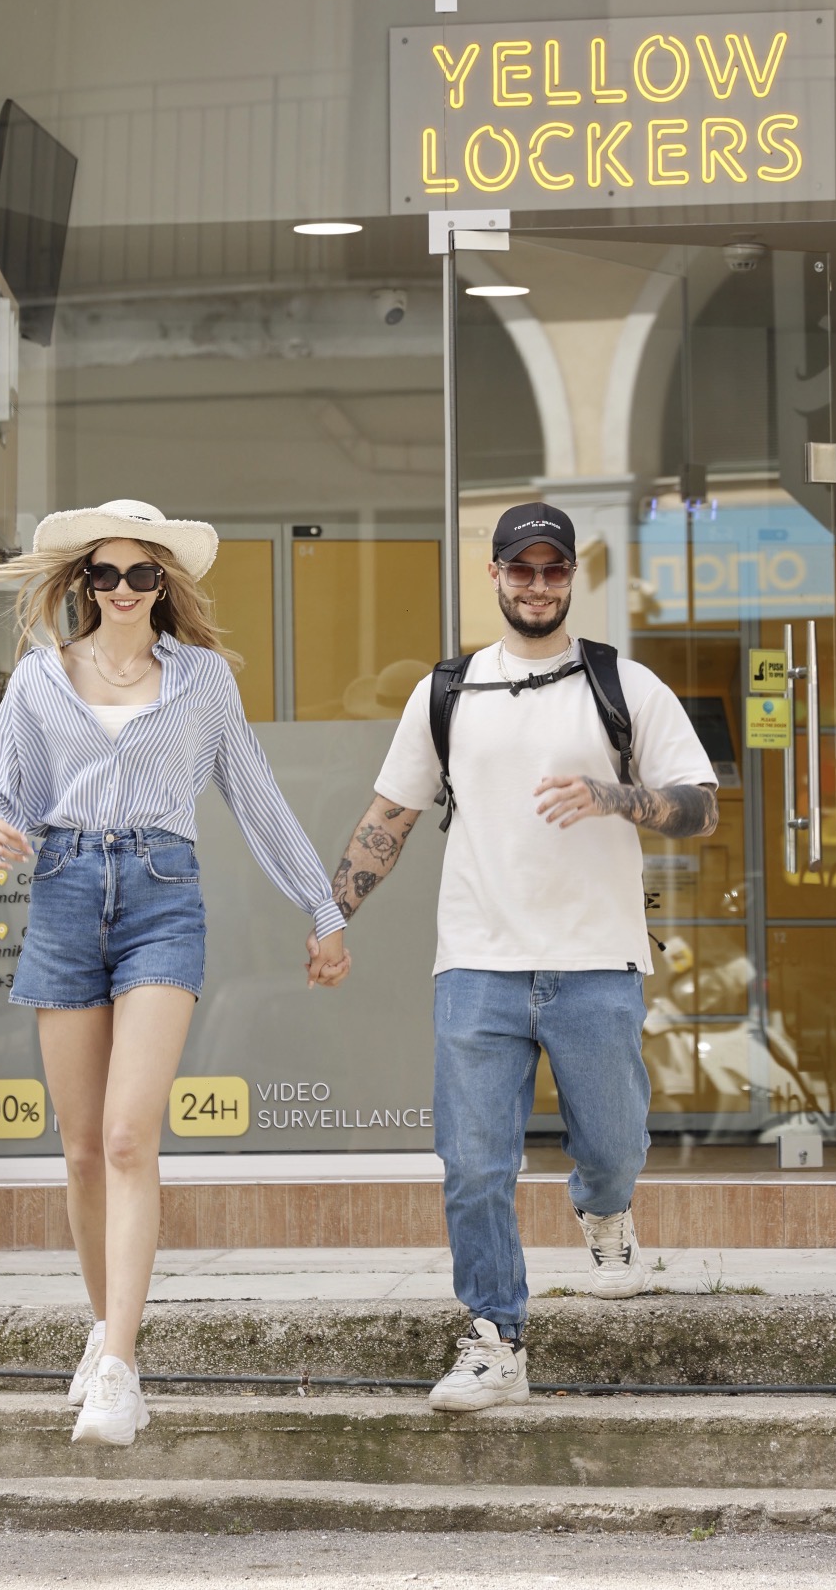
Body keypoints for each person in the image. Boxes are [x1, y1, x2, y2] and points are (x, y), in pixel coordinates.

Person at [0, 498, 350, 1446]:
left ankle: (122, 1370)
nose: (125, 588)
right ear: (85, 584)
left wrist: (324, 907)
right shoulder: (41, 678)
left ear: (163, 583)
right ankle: (104, 1328)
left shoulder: (202, 679)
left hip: (163, 896)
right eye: (107, 573)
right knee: (82, 1149)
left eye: (142, 573)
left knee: (131, 1135)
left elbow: (255, 795)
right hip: (61, 892)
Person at [310, 502, 718, 1413]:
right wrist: (331, 914)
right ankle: (496, 1338)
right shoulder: (446, 692)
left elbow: (701, 805)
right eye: (521, 568)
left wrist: (615, 796)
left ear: (572, 576)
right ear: (493, 574)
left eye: (553, 568)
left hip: (596, 959)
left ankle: (604, 1207)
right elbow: (390, 818)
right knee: (474, 1163)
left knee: (612, 1142)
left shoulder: (623, 685)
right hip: (477, 962)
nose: (538, 584)